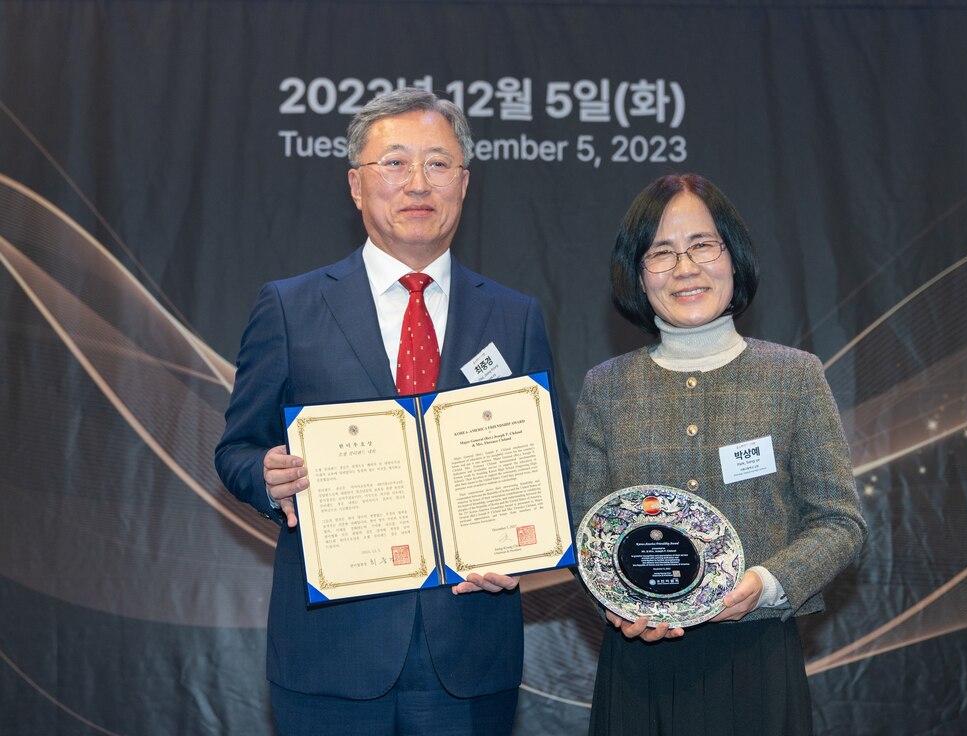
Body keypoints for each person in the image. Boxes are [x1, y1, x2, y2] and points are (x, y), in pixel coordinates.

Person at [215, 88, 563, 736]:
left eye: (437, 164)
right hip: (331, 654)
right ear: (355, 184)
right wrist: (264, 475)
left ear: (463, 182)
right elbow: (235, 450)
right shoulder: (289, 308)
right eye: (394, 163)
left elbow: (549, 467)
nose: (417, 183)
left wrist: (526, 544)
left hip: (467, 652)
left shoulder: (514, 317)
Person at [569, 173, 868, 736]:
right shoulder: (605, 388)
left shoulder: (793, 376)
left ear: (734, 256)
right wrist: (614, 606)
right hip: (639, 672)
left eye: (703, 245)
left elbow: (839, 522)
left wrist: (766, 581)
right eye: (661, 252)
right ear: (637, 273)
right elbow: (587, 532)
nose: (685, 268)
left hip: (755, 659)